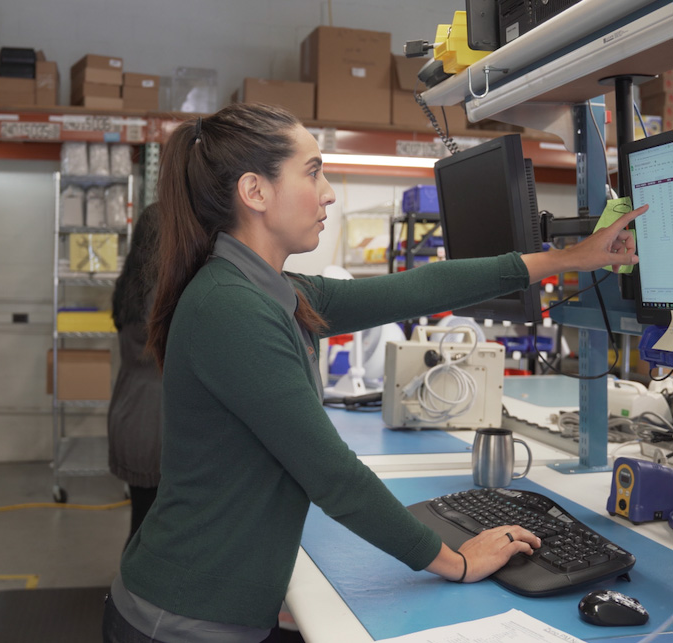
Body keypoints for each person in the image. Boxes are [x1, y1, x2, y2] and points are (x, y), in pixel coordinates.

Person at [102, 103, 644, 643]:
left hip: (213, 612)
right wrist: (456, 561)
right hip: (180, 623)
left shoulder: (273, 291)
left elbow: (418, 289)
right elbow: (334, 477)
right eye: (313, 172)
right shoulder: (231, 307)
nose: (329, 193)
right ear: (255, 191)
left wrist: (570, 257)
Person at [108, 203, 163, 548]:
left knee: (142, 524)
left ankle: (130, 579)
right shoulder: (161, 293)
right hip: (154, 420)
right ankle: (132, 582)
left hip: (129, 411)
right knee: (151, 534)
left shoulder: (129, 286)